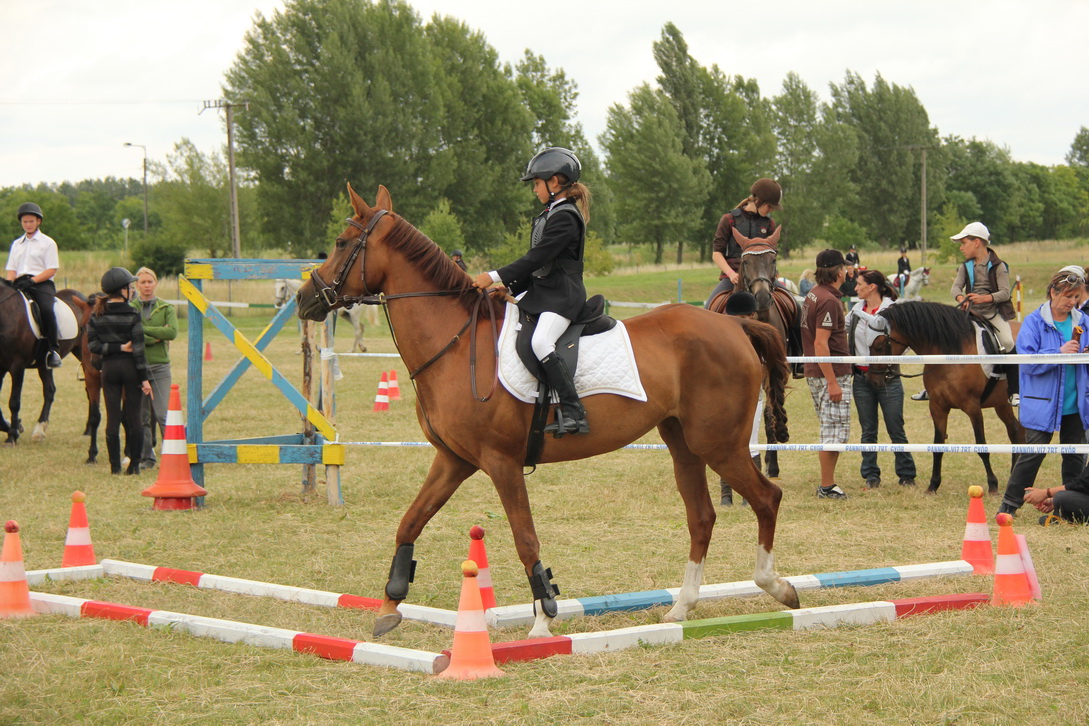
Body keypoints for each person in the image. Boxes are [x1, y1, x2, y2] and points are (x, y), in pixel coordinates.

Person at [472, 147, 591, 437]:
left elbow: (536, 257)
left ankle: (574, 411)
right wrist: (510, 287)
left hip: (562, 297)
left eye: (537, 183)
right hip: (545, 293)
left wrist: (493, 275)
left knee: (540, 342)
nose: (534, 189)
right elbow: (541, 266)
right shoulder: (550, 213)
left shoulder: (565, 217)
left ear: (555, 182)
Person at [998, 270, 1089, 517]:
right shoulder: (1033, 322)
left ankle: (1069, 507)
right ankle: (1009, 504)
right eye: (1068, 296)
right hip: (1043, 402)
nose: (1072, 302)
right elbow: (1027, 363)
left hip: (1077, 402)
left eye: (1076, 297)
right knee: (1032, 453)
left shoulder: (1084, 321)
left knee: (1075, 455)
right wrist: (1058, 353)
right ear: (1052, 293)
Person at [845, 269, 917, 489]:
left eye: (859, 284)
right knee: (868, 430)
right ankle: (870, 475)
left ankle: (906, 474)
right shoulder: (855, 311)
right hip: (861, 378)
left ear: (872, 287)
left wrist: (890, 359)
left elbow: (902, 339)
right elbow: (841, 329)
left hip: (889, 377)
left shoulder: (893, 310)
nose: (856, 288)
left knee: (896, 427)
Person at [87, 267, 152, 475]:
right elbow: (139, 350)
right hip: (130, 368)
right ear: (122, 290)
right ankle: (134, 466)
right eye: (130, 287)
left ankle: (114, 467)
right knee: (134, 418)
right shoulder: (132, 313)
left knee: (112, 418)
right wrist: (144, 378)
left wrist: (116, 348)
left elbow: (93, 346)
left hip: (109, 369)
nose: (132, 289)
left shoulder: (97, 313)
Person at [801, 249, 853, 499]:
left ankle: (828, 482)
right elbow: (821, 343)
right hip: (829, 373)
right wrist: (833, 382)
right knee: (833, 431)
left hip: (817, 370)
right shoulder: (829, 301)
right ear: (839, 272)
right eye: (844, 267)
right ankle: (827, 485)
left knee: (830, 428)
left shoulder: (814, 293)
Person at [950, 221, 1020, 405]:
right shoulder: (965, 266)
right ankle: (934, 386)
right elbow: (955, 288)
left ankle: (1014, 391)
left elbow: (1005, 293)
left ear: (977, 242)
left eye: (963, 243)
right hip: (970, 314)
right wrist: (961, 298)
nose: (961, 248)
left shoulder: (999, 266)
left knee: (1008, 342)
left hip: (992, 314)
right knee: (946, 337)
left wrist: (984, 298)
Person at [705, 178, 783, 305]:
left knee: (795, 305)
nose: (771, 210)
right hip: (734, 277)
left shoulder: (769, 223)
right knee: (708, 306)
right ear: (758, 200)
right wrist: (731, 274)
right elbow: (716, 254)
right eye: (769, 206)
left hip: (763, 278)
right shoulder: (729, 219)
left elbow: (773, 254)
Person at [131, 267, 177, 471]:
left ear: (156, 283)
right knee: (143, 417)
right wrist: (158, 335)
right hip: (137, 367)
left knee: (162, 414)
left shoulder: (166, 307)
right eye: (143, 282)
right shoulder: (131, 308)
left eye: (150, 281)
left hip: (160, 367)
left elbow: (172, 332)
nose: (147, 285)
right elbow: (130, 335)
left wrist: (143, 332)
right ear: (136, 285)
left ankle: (173, 455)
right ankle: (147, 457)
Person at [5, 202, 62, 368]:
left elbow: (51, 269)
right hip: (19, 283)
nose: (28, 224)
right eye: (25, 222)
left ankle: (53, 350)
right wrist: (9, 284)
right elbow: (12, 269)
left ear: (38, 222)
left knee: (46, 309)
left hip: (41, 283)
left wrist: (32, 281)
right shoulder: (17, 244)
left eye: (31, 221)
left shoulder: (48, 243)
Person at [719, 290, 761, 506]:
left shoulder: (758, 337)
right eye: (736, 318)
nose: (740, 322)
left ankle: (750, 493)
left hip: (751, 395)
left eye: (744, 318)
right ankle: (726, 493)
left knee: (751, 443)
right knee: (723, 442)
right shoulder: (717, 336)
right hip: (723, 395)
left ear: (752, 316)